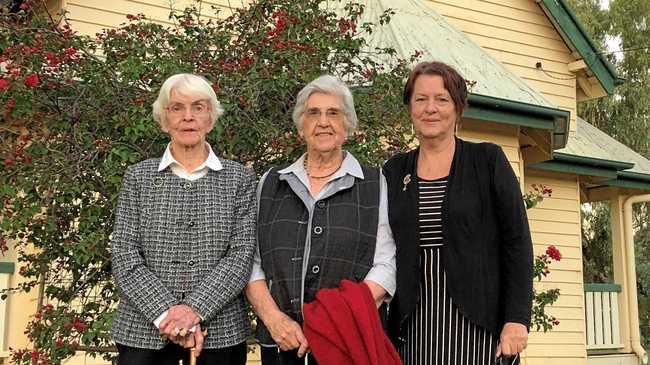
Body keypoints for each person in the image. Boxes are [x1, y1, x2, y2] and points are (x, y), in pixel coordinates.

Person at [383, 61, 534, 365]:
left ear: (458, 107)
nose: (430, 108)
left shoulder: (487, 160)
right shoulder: (394, 170)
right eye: (420, 99)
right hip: (413, 327)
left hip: (478, 327)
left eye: (442, 99)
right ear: (410, 107)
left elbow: (517, 243)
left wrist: (516, 318)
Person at [245, 75, 397, 365]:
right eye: (313, 113)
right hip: (280, 343)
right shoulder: (270, 183)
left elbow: (386, 264)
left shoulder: (375, 183)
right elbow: (252, 261)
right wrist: (273, 319)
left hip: (347, 342)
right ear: (301, 125)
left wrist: (336, 320)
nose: (323, 122)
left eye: (334, 113)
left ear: (348, 125)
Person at [110, 73, 256, 365]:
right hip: (143, 331)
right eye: (177, 108)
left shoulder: (240, 178)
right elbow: (125, 254)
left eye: (198, 107)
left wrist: (195, 310)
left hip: (220, 333)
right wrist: (167, 314)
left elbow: (240, 256)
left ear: (211, 118)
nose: (188, 117)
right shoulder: (138, 177)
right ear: (164, 118)